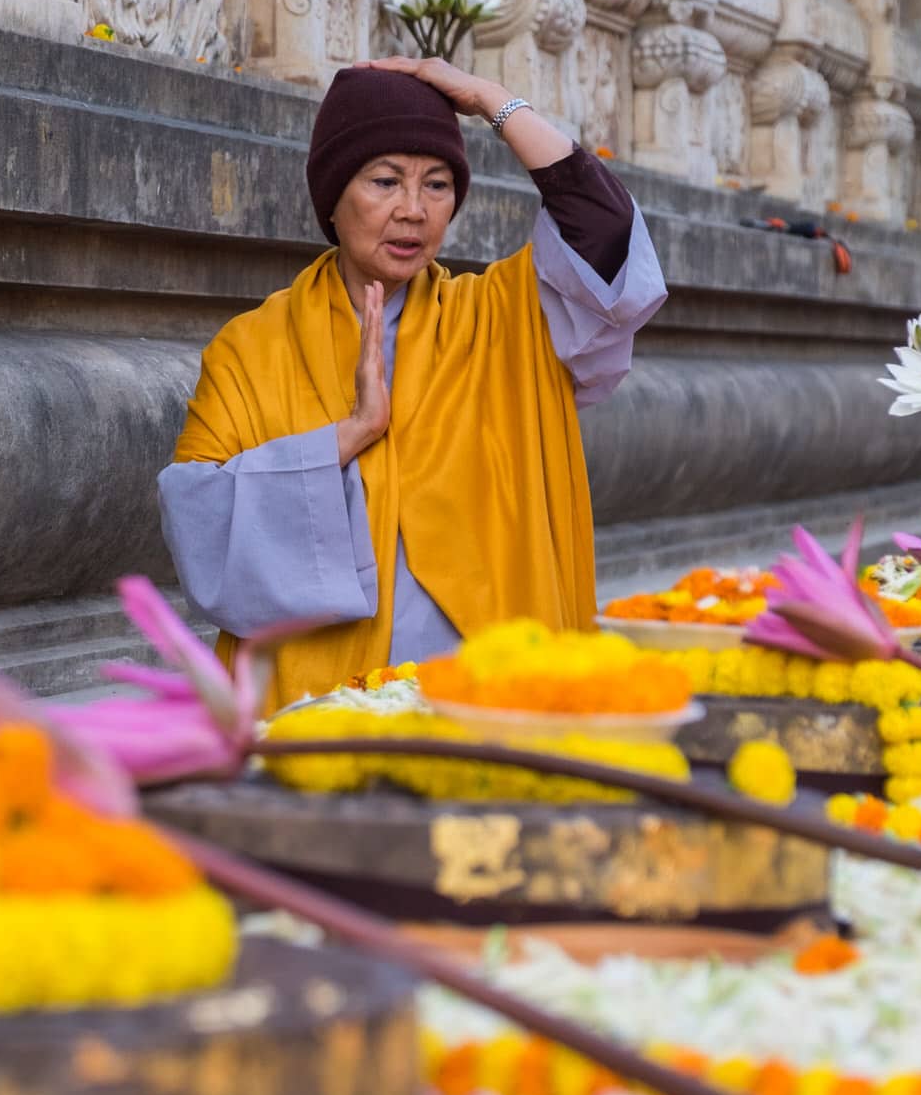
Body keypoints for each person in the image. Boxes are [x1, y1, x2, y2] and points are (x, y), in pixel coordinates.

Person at [157, 57, 668, 710]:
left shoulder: (507, 319)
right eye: (385, 180)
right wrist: (349, 435)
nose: (413, 210)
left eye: (437, 185)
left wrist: (495, 101)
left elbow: (604, 231)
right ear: (334, 199)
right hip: (313, 709)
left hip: (486, 703)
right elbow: (200, 525)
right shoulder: (251, 349)